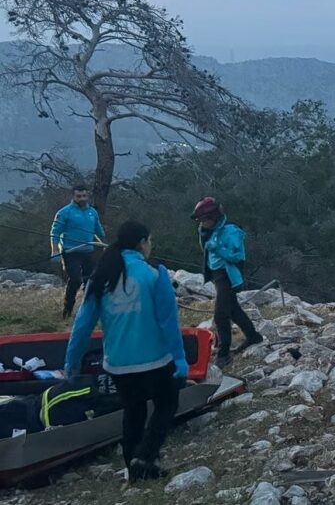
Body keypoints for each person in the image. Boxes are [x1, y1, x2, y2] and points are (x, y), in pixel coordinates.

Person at [64, 220, 187, 481]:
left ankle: (135, 470)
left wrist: (71, 360)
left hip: (118, 363)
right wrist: (180, 359)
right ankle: (146, 455)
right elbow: (168, 321)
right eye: (149, 241)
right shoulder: (154, 273)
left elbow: (82, 325)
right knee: (167, 404)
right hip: (156, 359)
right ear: (142, 243)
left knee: (133, 412)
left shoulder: (101, 276)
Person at [191, 197, 263, 366]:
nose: (201, 223)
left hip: (227, 275)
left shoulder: (231, 231)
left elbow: (238, 256)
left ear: (214, 217)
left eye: (204, 219)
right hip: (217, 274)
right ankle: (253, 336)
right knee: (233, 310)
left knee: (221, 314)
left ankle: (223, 353)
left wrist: (218, 248)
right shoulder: (208, 231)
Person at [50, 184, 106, 318]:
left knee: (91, 281)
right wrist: (55, 250)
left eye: (84, 196)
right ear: (73, 196)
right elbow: (55, 232)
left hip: (88, 251)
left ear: (87, 196)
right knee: (75, 280)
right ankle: (67, 309)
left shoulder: (92, 212)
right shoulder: (64, 212)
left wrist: (104, 243)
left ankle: (89, 311)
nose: (82, 198)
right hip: (71, 252)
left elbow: (98, 230)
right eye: (78, 196)